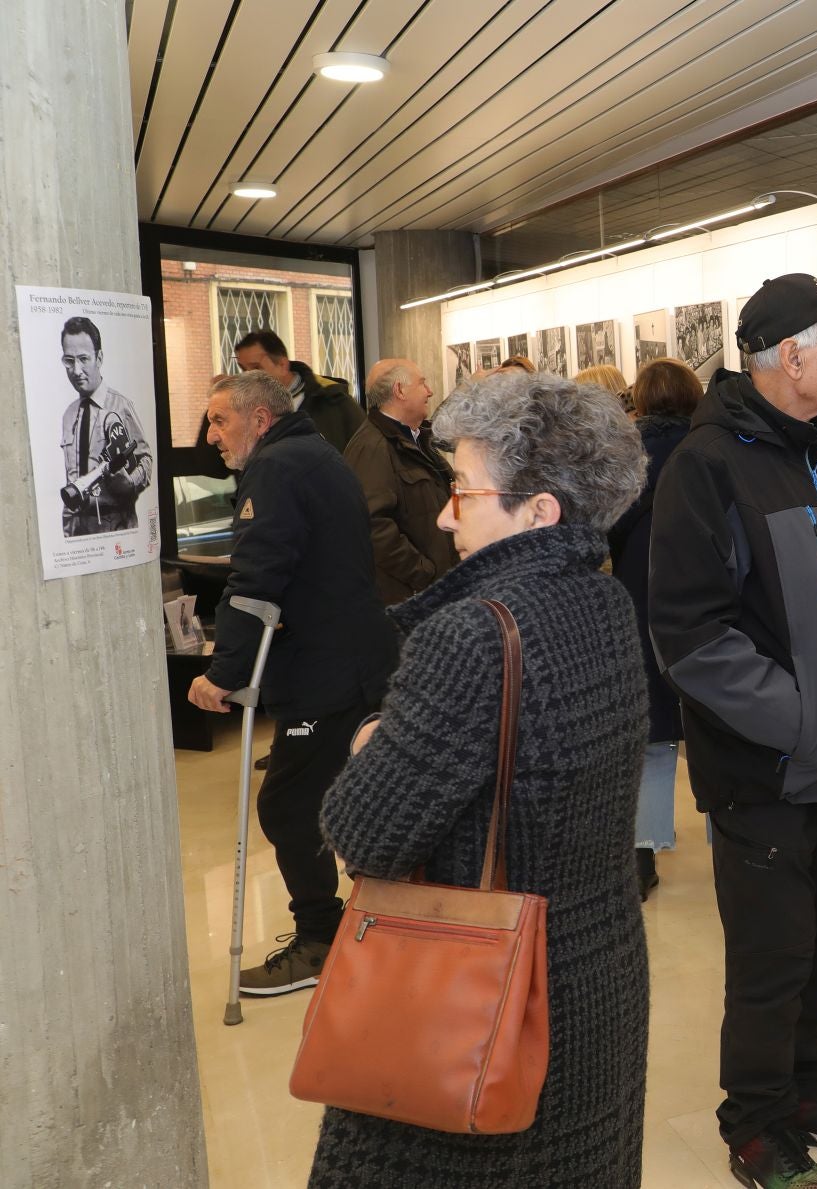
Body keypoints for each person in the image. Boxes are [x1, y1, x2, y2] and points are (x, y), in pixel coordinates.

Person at [307, 371, 648, 1188]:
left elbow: (362, 831)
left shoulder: (473, 634)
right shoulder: (605, 606)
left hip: (479, 1003)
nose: (441, 512)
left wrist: (366, 741)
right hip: (592, 984)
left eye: (462, 491)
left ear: (539, 511)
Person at [649, 274, 817, 1189]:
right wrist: (803, 721)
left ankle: (805, 1088)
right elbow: (689, 635)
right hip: (767, 771)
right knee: (771, 960)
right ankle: (755, 1126)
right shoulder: (705, 467)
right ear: (791, 356)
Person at [186, 372, 395, 994]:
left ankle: (321, 941)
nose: (211, 435)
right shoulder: (313, 454)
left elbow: (255, 582)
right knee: (347, 795)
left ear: (260, 418)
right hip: (352, 660)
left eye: (221, 420)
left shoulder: (277, 468)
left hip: (325, 671)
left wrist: (222, 676)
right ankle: (373, 925)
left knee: (290, 805)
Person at [608, 357, 704, 901]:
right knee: (714, 723)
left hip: (639, 591)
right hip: (701, 593)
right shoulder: (710, 446)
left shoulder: (629, 453)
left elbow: (611, 525)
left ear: (640, 399)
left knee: (650, 736)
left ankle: (642, 857)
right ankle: (733, 849)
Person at [342, 359, 457, 605]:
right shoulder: (372, 447)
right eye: (422, 383)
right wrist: (425, 573)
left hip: (434, 592)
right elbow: (373, 526)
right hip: (410, 599)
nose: (430, 391)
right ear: (399, 390)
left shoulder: (415, 439)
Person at [56, 315, 151, 537]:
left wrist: (129, 484)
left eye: (83, 359)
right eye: (69, 361)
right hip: (78, 528)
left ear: (99, 358)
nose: (76, 370)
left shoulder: (121, 405)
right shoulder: (68, 415)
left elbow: (146, 460)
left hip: (115, 526)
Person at [234, 328, 365, 452]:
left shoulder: (334, 402)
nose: (249, 377)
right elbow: (218, 467)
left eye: (257, 368)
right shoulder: (245, 409)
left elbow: (364, 454)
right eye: (244, 370)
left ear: (282, 365)